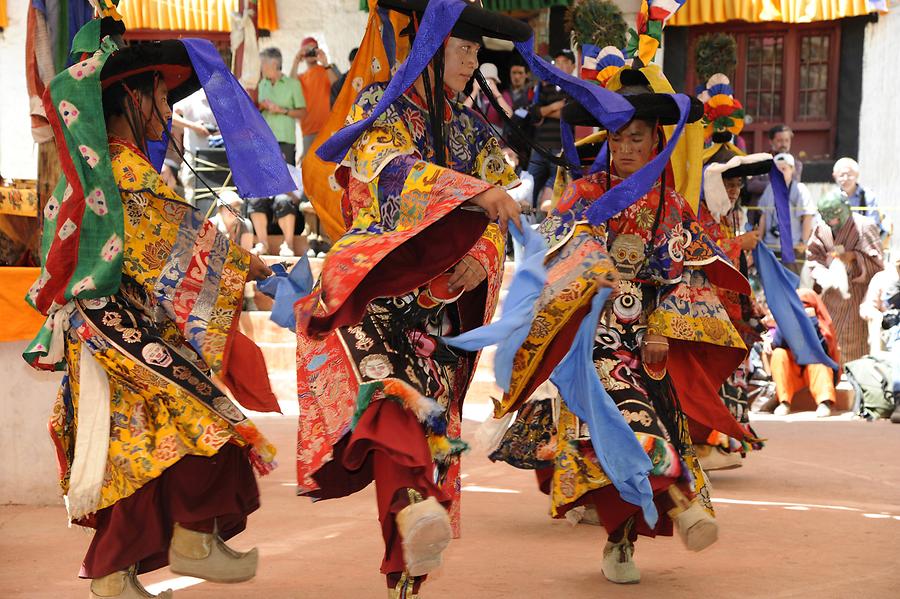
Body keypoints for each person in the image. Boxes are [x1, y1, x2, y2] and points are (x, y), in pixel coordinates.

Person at [23, 33, 282, 599]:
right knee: (205, 416)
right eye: (162, 99)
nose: (168, 112)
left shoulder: (100, 168)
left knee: (138, 442)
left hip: (109, 322)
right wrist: (247, 265)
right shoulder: (122, 167)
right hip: (112, 325)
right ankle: (191, 536)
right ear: (135, 100)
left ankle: (118, 571)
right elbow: (171, 241)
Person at [491, 39, 751, 585]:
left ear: (657, 140)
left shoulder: (670, 203)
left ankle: (620, 541)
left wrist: (660, 327)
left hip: (650, 339)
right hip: (595, 339)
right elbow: (556, 249)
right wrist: (592, 269)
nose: (627, 148)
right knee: (628, 420)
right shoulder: (585, 193)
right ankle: (681, 502)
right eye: (618, 137)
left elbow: (691, 271)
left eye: (637, 138)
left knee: (652, 425)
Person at [293, 1, 527, 596]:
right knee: (389, 397)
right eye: (460, 45)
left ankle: (410, 563)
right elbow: (388, 172)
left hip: (438, 302)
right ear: (426, 47)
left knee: (435, 420)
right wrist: (474, 193)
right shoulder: (382, 105)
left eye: (476, 50)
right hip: (376, 285)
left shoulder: (476, 129)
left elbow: (496, 218)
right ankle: (408, 512)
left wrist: (481, 256)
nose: (471, 58)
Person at [692, 74, 769, 470]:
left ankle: (720, 445)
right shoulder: (703, 214)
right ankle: (705, 445)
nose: (736, 189)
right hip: (703, 314)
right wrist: (741, 244)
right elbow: (704, 254)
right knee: (703, 381)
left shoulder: (726, 215)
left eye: (740, 182)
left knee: (724, 380)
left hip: (728, 313)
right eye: (729, 181)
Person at [803, 190, 885, 364]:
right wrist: (822, 273)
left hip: (858, 295)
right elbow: (813, 256)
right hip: (831, 294)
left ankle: (856, 382)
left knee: (854, 344)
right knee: (829, 339)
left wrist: (854, 257)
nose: (830, 222)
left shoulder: (865, 226)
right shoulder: (821, 227)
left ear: (845, 209)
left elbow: (878, 263)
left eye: (833, 217)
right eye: (826, 217)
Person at [253, 47, 306, 256]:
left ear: (274, 64)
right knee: (264, 188)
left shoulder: (293, 85)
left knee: (284, 187)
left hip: (285, 142)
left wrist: (280, 109)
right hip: (264, 142)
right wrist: (263, 107)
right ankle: (263, 240)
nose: (261, 68)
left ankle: (288, 242)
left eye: (263, 64)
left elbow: (302, 111)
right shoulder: (262, 84)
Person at [770, 290, 841, 417]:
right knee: (779, 354)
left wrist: (811, 321)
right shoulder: (787, 316)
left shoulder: (820, 321)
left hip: (814, 370)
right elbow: (777, 342)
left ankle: (824, 402)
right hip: (794, 371)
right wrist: (787, 319)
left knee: (819, 357)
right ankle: (784, 402)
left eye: (805, 305)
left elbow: (823, 346)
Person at [525, 48, 575, 209]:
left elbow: (569, 114)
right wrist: (555, 106)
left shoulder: (575, 89)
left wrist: (545, 111)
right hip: (539, 147)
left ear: (573, 66)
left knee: (554, 189)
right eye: (557, 62)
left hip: (560, 147)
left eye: (564, 62)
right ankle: (526, 220)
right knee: (528, 185)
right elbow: (534, 113)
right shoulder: (546, 88)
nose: (559, 66)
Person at [757, 153, 816, 264]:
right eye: (777, 170)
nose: (780, 172)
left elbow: (808, 217)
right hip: (770, 246)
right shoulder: (769, 189)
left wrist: (803, 241)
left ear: (792, 169)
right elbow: (763, 216)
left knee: (794, 280)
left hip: (793, 247)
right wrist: (759, 238)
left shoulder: (800, 189)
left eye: (784, 168)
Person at [290, 36, 339, 157]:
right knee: (309, 170)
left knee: (329, 170)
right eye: (307, 50)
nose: (311, 52)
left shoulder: (327, 69)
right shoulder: (301, 77)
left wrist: (325, 62)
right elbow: (290, 86)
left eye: (314, 49)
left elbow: (337, 87)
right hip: (308, 130)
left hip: (329, 129)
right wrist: (296, 60)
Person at [745, 124, 804, 224]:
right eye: (780, 140)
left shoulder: (796, 164)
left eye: (787, 140)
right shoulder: (761, 161)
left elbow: (791, 185)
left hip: (784, 216)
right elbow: (752, 185)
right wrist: (778, 183)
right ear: (771, 141)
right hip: (758, 216)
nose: (784, 144)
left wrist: (769, 184)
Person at [172, 89, 217, 203]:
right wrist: (193, 126)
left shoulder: (223, 98)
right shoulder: (192, 96)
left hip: (218, 160)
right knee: (191, 199)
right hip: (194, 158)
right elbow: (170, 115)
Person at [833, 157, 885, 236]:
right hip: (836, 239)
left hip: (863, 239)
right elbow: (821, 222)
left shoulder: (868, 196)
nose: (845, 179)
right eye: (841, 175)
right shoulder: (831, 197)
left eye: (849, 175)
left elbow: (873, 223)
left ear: (857, 175)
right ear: (834, 176)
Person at [463, 62, 513, 127]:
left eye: (489, 81)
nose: (485, 84)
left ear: (495, 82)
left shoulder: (503, 95)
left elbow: (509, 115)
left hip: (496, 135)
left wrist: (496, 93)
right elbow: (462, 111)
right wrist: (474, 91)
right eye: (483, 80)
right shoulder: (476, 96)